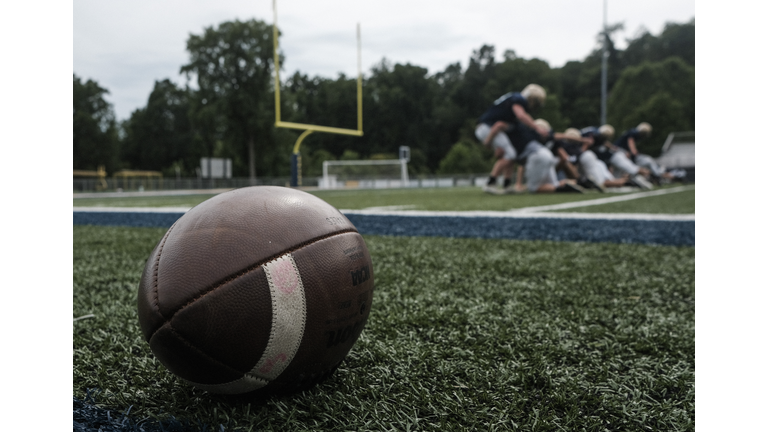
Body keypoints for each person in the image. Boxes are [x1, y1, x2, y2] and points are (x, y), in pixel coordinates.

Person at [474, 84, 550, 193]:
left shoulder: (510, 102)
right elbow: (520, 116)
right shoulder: (518, 99)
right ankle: (490, 183)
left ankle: (506, 184)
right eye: (536, 102)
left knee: (511, 154)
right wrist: (537, 128)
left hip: (488, 128)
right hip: (487, 128)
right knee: (510, 154)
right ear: (531, 98)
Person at [583, 124, 654, 190]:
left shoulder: (597, 137)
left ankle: (634, 179)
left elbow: (606, 144)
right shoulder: (593, 136)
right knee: (628, 170)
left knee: (629, 170)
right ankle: (632, 180)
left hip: (613, 156)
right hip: (610, 157)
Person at [614, 122, 685, 184]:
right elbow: (630, 141)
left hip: (621, 152)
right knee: (647, 162)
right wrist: (634, 152)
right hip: (621, 153)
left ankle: (657, 175)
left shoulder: (632, 132)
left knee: (641, 164)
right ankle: (660, 175)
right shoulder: (633, 133)